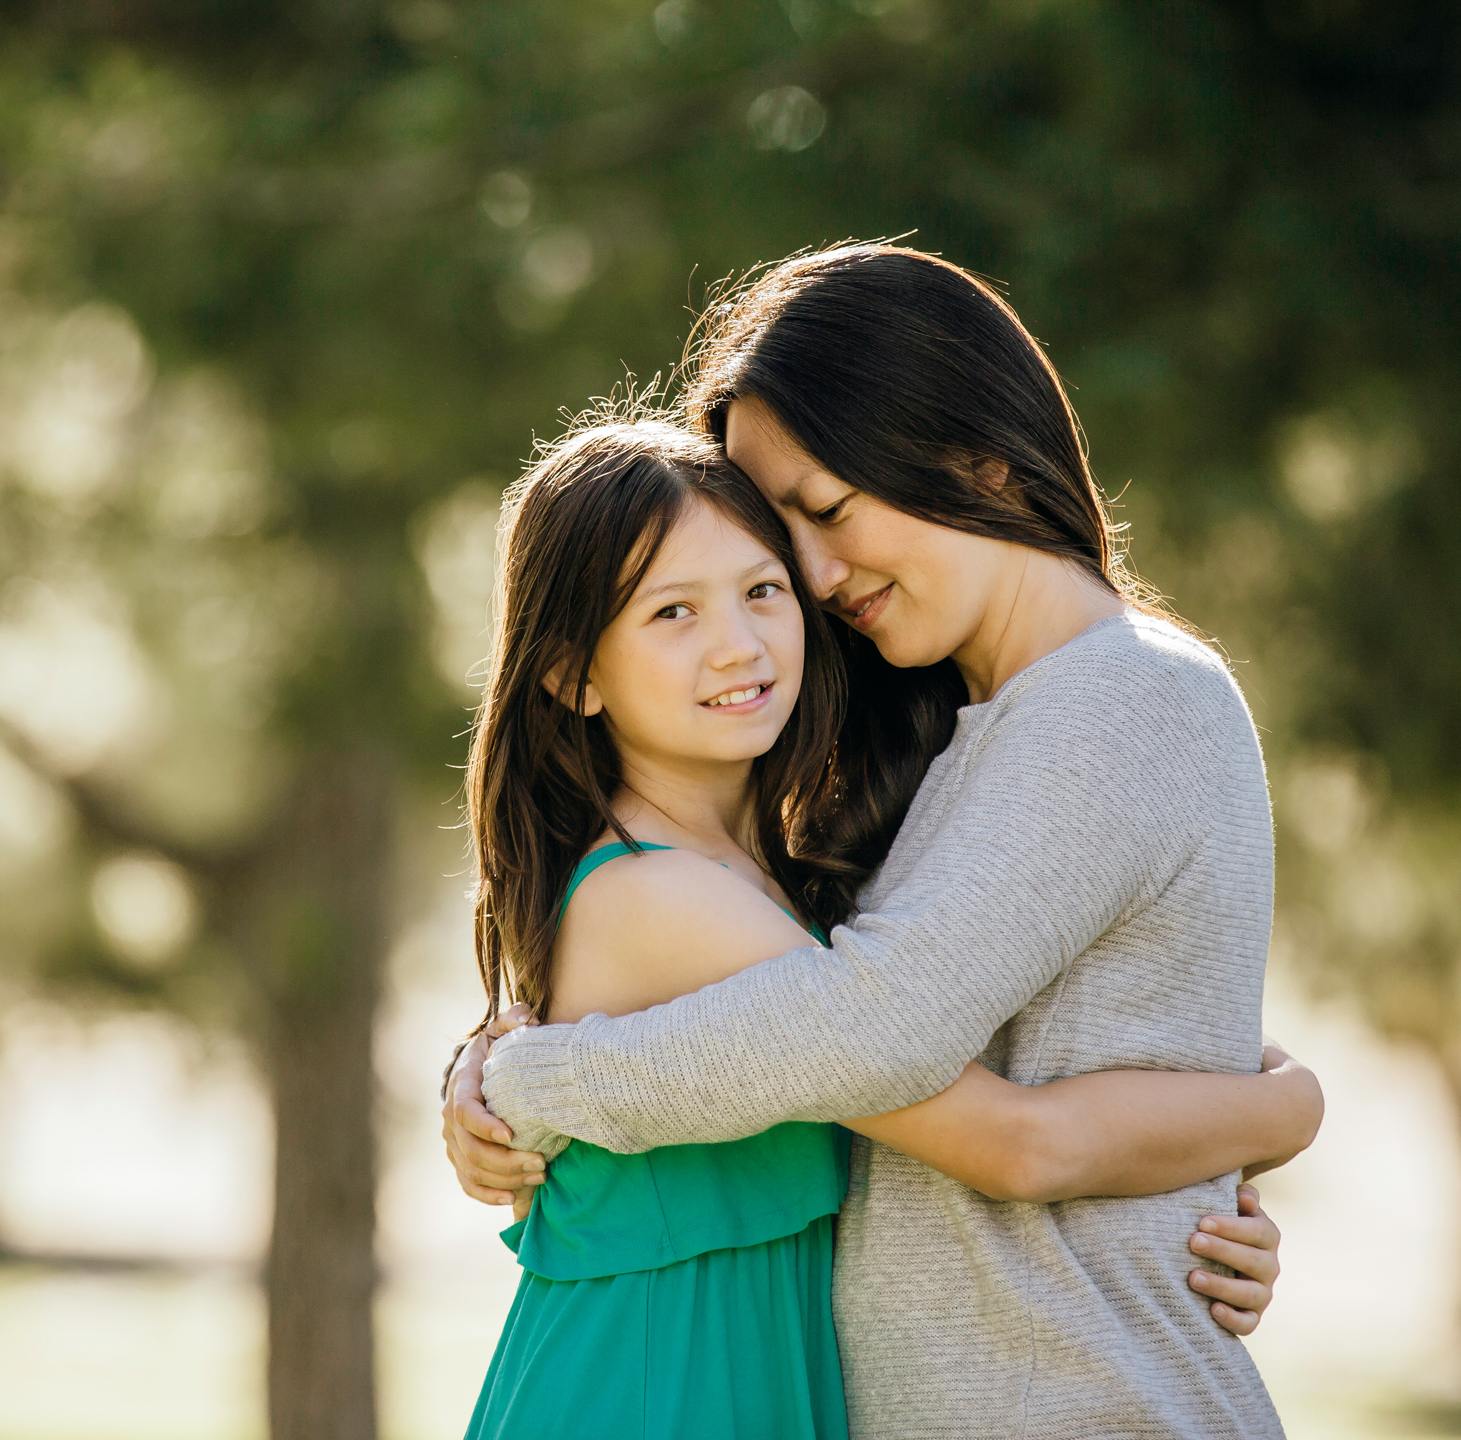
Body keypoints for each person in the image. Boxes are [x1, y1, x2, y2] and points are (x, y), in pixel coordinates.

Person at [448, 245, 1302, 1439]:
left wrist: (535, 1079)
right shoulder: (952, 735)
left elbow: (873, 1033)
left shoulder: (1123, 701)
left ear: (979, 456)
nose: (813, 576)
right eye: (785, 532)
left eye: (827, 514)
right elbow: (878, 1021)